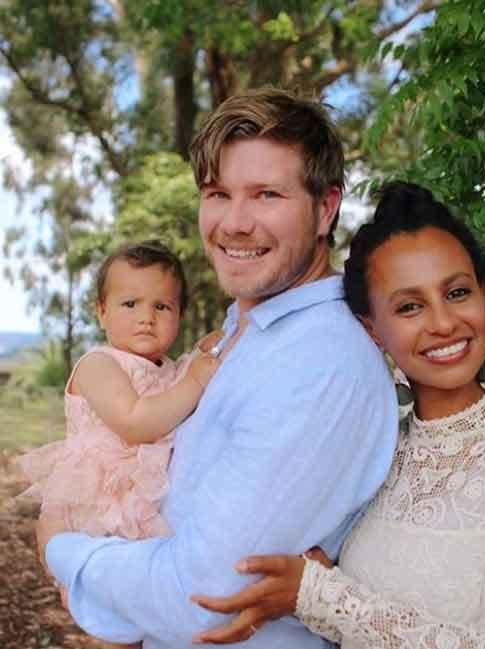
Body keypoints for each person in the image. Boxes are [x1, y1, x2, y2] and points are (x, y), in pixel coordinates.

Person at [37, 88, 398, 649]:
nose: (234, 223)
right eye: (218, 193)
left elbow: (202, 602)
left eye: (266, 195)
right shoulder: (241, 334)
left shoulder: (321, 362)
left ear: (326, 209)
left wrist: (62, 550)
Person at [193, 182, 485, 649]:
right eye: (409, 306)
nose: (444, 323)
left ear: (484, 294)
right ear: (372, 329)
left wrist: (319, 595)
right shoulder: (373, 448)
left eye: (459, 292)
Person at [18, 240, 220, 541]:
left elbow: (183, 377)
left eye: (162, 306)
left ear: (179, 316)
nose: (146, 318)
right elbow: (134, 423)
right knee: (100, 578)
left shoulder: (169, 369)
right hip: (98, 505)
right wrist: (195, 381)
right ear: (101, 312)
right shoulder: (98, 365)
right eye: (130, 304)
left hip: (143, 501)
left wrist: (214, 346)